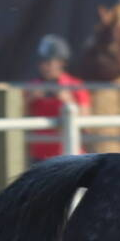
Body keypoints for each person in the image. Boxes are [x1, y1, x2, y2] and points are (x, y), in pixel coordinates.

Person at [25, 35, 92, 164]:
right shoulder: (32, 86)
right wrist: (29, 99)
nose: (45, 67)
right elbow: (18, 119)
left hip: (70, 155)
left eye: (49, 62)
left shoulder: (75, 86)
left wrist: (68, 101)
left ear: (62, 63)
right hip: (40, 158)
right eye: (42, 62)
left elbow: (87, 125)